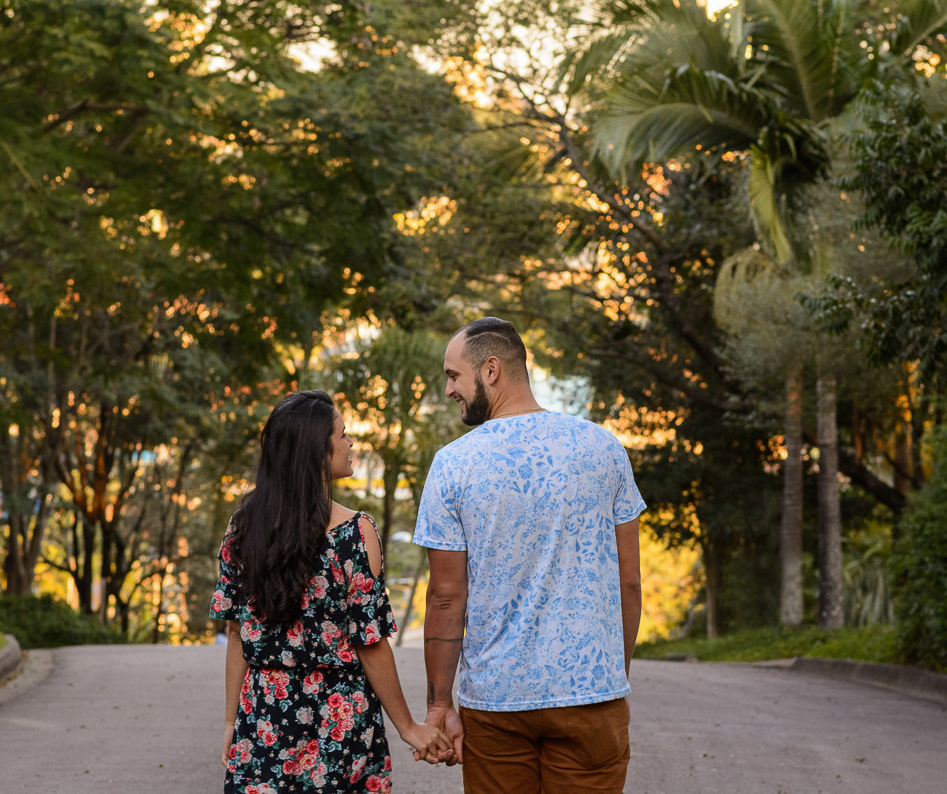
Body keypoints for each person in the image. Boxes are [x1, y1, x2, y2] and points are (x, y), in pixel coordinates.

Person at [414, 317, 646, 793]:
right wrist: (608, 678)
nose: (449, 390)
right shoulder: (604, 448)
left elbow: (445, 597)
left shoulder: (453, 464)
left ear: (491, 369)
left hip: (496, 703)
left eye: (454, 375)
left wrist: (439, 705)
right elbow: (630, 582)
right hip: (590, 697)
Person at [211, 390, 450, 793]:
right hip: (339, 723)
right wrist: (408, 727)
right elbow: (369, 643)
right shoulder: (355, 534)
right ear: (318, 452)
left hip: (263, 719)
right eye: (343, 435)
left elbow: (237, 634)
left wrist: (232, 723)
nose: (351, 442)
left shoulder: (243, 528)